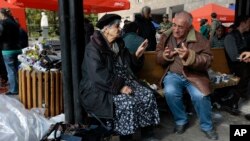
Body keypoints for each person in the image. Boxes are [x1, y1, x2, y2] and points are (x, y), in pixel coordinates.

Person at [79, 14, 160, 140]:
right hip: (100, 88)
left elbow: (128, 66)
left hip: (122, 81)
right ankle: (126, 137)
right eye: (117, 26)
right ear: (106, 29)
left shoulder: (119, 44)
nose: (120, 29)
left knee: (147, 95)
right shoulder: (93, 48)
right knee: (127, 103)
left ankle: (147, 133)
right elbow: (98, 74)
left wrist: (137, 55)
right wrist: (120, 87)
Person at [156, 11, 218, 140]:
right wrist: (164, 56)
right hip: (173, 74)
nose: (176, 30)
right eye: (174, 25)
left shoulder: (200, 38)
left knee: (200, 96)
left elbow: (208, 60)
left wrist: (190, 56)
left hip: (195, 75)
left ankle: (207, 126)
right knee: (170, 92)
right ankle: (181, 120)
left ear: (189, 27)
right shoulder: (166, 36)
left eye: (180, 27)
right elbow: (158, 55)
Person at [224, 16, 250, 99]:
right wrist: (245, 58)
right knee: (245, 69)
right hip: (235, 66)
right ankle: (241, 97)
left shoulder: (246, 36)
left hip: (244, 64)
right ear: (243, 23)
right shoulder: (230, 37)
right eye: (249, 22)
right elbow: (233, 57)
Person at [0, 8, 21, 95]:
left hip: (8, 50)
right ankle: (21, 87)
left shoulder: (3, 23)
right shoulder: (14, 23)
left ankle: (14, 90)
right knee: (17, 70)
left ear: (2, 14)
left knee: (11, 71)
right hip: (17, 48)